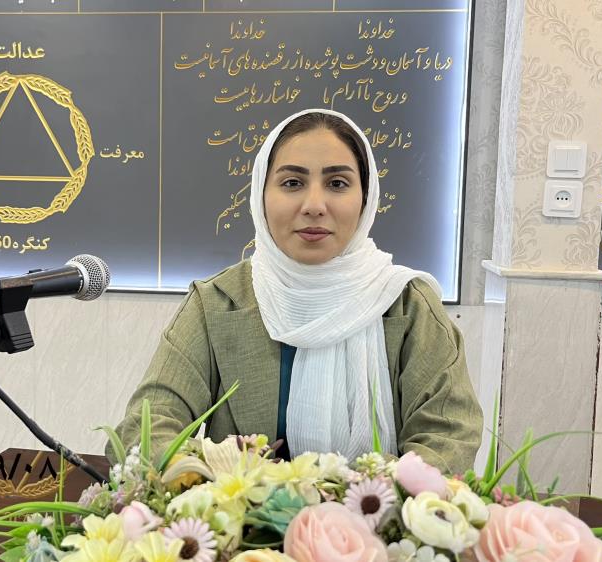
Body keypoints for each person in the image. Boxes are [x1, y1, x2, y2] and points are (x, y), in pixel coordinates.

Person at [111, 108, 482, 473]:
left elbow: (448, 438)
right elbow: (146, 428)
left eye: (337, 184)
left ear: (366, 198)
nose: (314, 206)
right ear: (261, 195)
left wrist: (354, 494)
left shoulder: (407, 305)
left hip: (373, 513)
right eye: (292, 183)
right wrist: (213, 480)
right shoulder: (217, 303)